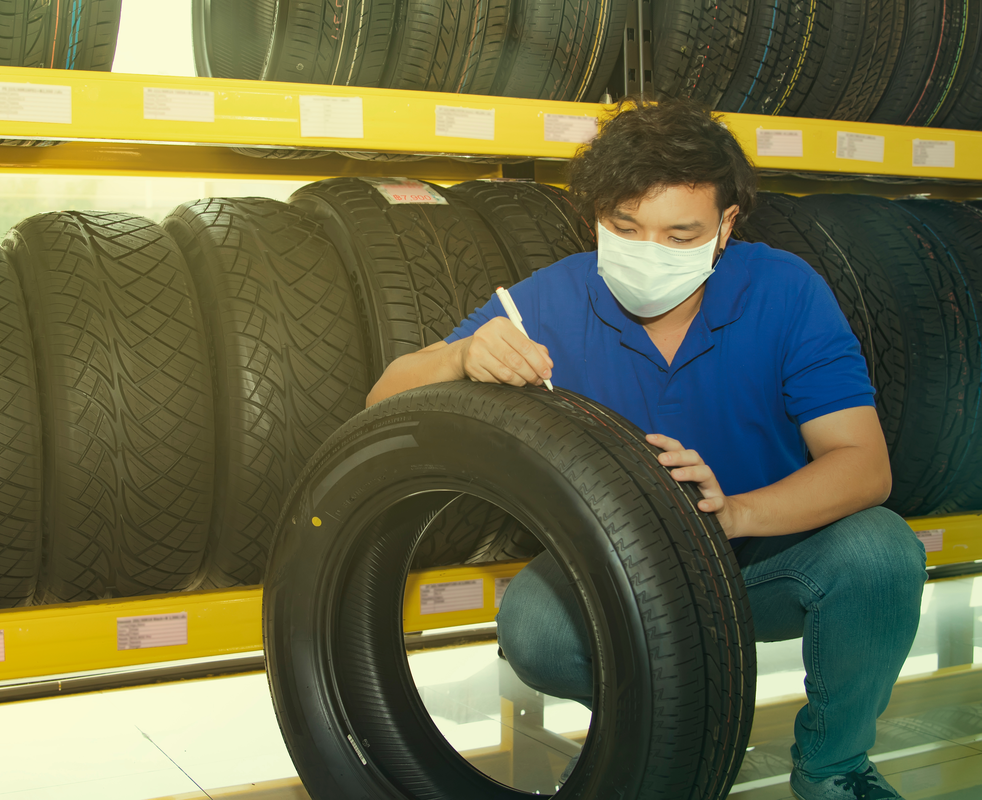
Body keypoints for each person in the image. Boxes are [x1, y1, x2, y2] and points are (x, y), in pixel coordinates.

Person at [365, 98, 927, 800]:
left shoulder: (785, 291)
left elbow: (863, 465)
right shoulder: (551, 300)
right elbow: (382, 403)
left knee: (880, 552)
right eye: (625, 227)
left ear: (726, 225)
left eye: (679, 233)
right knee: (534, 624)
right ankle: (673, 733)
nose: (647, 252)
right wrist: (462, 357)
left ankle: (834, 768)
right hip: (624, 576)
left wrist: (737, 512)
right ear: (597, 214)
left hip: (766, 558)